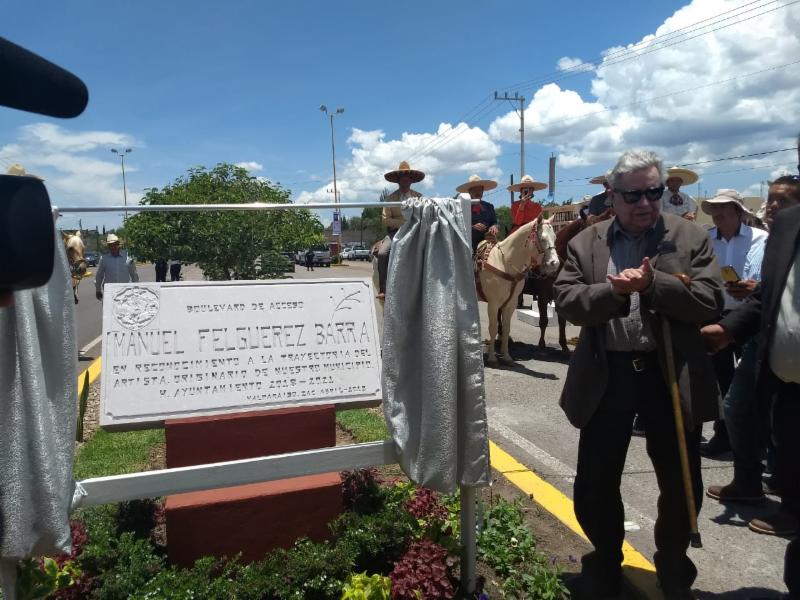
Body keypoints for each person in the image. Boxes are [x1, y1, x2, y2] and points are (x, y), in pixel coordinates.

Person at [554, 149, 724, 599]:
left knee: (680, 478)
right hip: (607, 374)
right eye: (633, 195)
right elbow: (567, 301)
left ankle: (673, 569)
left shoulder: (689, 237)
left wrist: (654, 285)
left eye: (652, 191)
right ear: (613, 195)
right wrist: (614, 291)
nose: (645, 203)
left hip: (668, 374)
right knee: (595, 480)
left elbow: (710, 300)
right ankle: (604, 564)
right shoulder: (585, 242)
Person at [702, 177, 800, 596]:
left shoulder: (765, 239)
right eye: (772, 200)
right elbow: (767, 299)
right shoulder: (783, 238)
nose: (774, 207)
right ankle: (752, 481)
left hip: (771, 347)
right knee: (744, 409)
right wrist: (727, 329)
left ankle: (789, 503)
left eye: (785, 201)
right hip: (765, 347)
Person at [697, 190, 768, 459]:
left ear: (738, 211)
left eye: (724, 208)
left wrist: (755, 288)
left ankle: (760, 441)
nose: (718, 214)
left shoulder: (762, 239)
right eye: (714, 209)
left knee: (754, 382)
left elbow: (772, 277)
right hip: (716, 315)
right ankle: (723, 434)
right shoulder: (705, 240)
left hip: (751, 317)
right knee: (721, 380)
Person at [376, 161, 424, 299]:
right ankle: (383, 289)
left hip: (416, 232)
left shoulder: (419, 197)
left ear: (411, 181)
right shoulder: (390, 199)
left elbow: (425, 215)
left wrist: (414, 224)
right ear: (397, 181)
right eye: (402, 179)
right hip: (395, 233)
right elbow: (385, 219)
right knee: (383, 254)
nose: (405, 181)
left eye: (407, 179)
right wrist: (404, 223)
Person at [456, 174, 499, 253]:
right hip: (468, 245)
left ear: (483, 191)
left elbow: (495, 222)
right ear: (469, 191)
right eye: (475, 190)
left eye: (480, 190)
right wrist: (472, 227)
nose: (478, 192)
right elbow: (458, 226)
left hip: (488, 245)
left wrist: (494, 227)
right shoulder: (462, 207)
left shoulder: (489, 206)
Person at [94, 233, 139, 300]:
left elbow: (134, 274)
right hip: (109, 292)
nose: (113, 247)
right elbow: (99, 275)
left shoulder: (128, 258)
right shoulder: (104, 259)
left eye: (115, 244)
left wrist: (136, 289)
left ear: (119, 245)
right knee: (108, 310)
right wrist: (98, 290)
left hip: (126, 292)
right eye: (110, 245)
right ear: (108, 246)